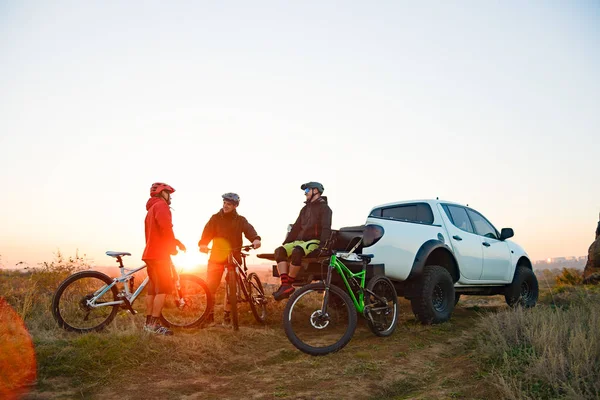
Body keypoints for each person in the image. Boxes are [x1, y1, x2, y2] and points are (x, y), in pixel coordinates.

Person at [198, 193, 261, 326]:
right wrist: (203, 244)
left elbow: (249, 230)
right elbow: (207, 232)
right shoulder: (215, 218)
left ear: (235, 206)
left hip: (234, 256)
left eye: (229, 204)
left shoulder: (240, 220)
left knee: (232, 287)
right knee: (210, 287)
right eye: (225, 203)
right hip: (216, 256)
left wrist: (255, 239)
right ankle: (209, 316)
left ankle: (227, 315)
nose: (226, 206)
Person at [272, 182, 332, 301]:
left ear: (316, 191)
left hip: (314, 241)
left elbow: (326, 228)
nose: (305, 194)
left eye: (307, 191)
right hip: (300, 241)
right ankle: (285, 285)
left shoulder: (325, 209)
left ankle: (288, 284)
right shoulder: (305, 209)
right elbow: (296, 228)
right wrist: (286, 243)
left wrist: (322, 247)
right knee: (279, 251)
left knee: (297, 251)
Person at [142, 182, 186, 336]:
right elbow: (165, 228)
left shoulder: (151, 208)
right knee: (163, 289)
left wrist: (176, 242)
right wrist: (171, 248)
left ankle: (148, 324)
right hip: (160, 255)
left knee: (153, 290)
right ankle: (153, 325)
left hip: (150, 254)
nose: (170, 197)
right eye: (169, 193)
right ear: (162, 193)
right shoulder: (162, 206)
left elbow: (156, 232)